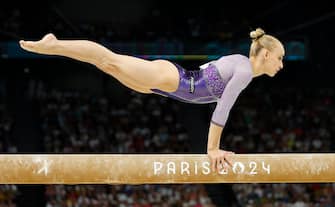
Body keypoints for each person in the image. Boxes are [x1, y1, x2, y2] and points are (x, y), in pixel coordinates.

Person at [19, 28, 285, 172]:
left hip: (167, 86)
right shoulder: (246, 69)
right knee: (109, 59)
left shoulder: (239, 63)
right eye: (280, 58)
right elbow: (223, 106)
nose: (281, 65)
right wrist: (212, 149)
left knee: (108, 65)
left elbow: (209, 76)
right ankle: (54, 45)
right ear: (265, 54)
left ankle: (56, 46)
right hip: (172, 79)